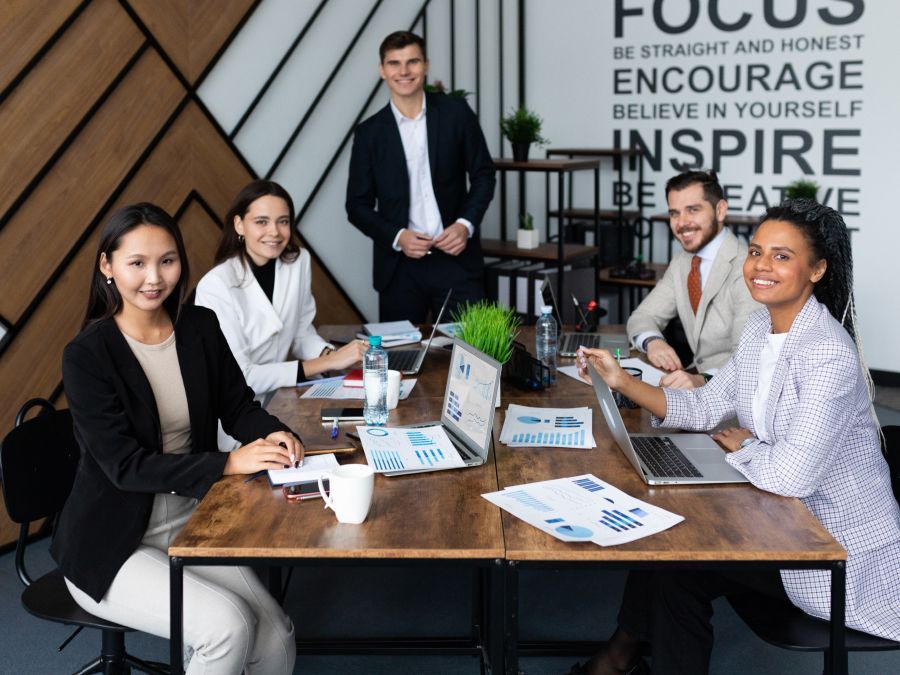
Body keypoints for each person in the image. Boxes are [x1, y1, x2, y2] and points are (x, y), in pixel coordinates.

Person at [574, 199, 900, 674]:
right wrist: (622, 381)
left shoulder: (827, 354)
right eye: (756, 251)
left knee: (677, 568)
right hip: (782, 519)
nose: (761, 266)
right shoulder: (758, 328)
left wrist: (747, 446)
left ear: (818, 269)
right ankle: (619, 658)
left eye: (782, 256)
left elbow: (790, 476)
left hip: (832, 547)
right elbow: (706, 405)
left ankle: (616, 660)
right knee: (669, 555)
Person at [52, 203, 301, 674]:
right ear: (107, 266)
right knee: (227, 627)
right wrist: (227, 464)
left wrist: (276, 434)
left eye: (167, 260)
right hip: (112, 542)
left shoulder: (198, 326)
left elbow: (239, 406)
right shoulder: (87, 355)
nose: (154, 278)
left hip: (192, 522)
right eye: (137, 263)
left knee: (276, 638)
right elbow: (125, 465)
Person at [196, 180, 367, 449]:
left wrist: (335, 357)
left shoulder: (298, 262)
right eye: (261, 222)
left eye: (283, 221)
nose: (274, 232)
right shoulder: (215, 285)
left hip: (282, 400)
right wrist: (329, 362)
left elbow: (301, 332)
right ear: (239, 225)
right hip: (234, 420)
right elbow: (244, 376)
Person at [346, 30, 496, 322]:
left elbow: (483, 175)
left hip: (458, 260)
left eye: (412, 62)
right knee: (402, 360)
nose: (403, 71)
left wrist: (465, 225)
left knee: (475, 357)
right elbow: (356, 206)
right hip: (399, 268)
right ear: (382, 70)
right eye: (394, 63)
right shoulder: (369, 133)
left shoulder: (456, 113)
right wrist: (398, 236)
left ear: (426, 65)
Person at [627, 170, 759, 389]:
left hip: (736, 399)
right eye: (674, 213)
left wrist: (701, 379)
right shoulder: (683, 262)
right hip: (693, 386)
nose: (682, 223)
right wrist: (653, 342)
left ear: (720, 210)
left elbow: (748, 361)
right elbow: (643, 316)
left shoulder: (747, 268)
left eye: (692, 210)